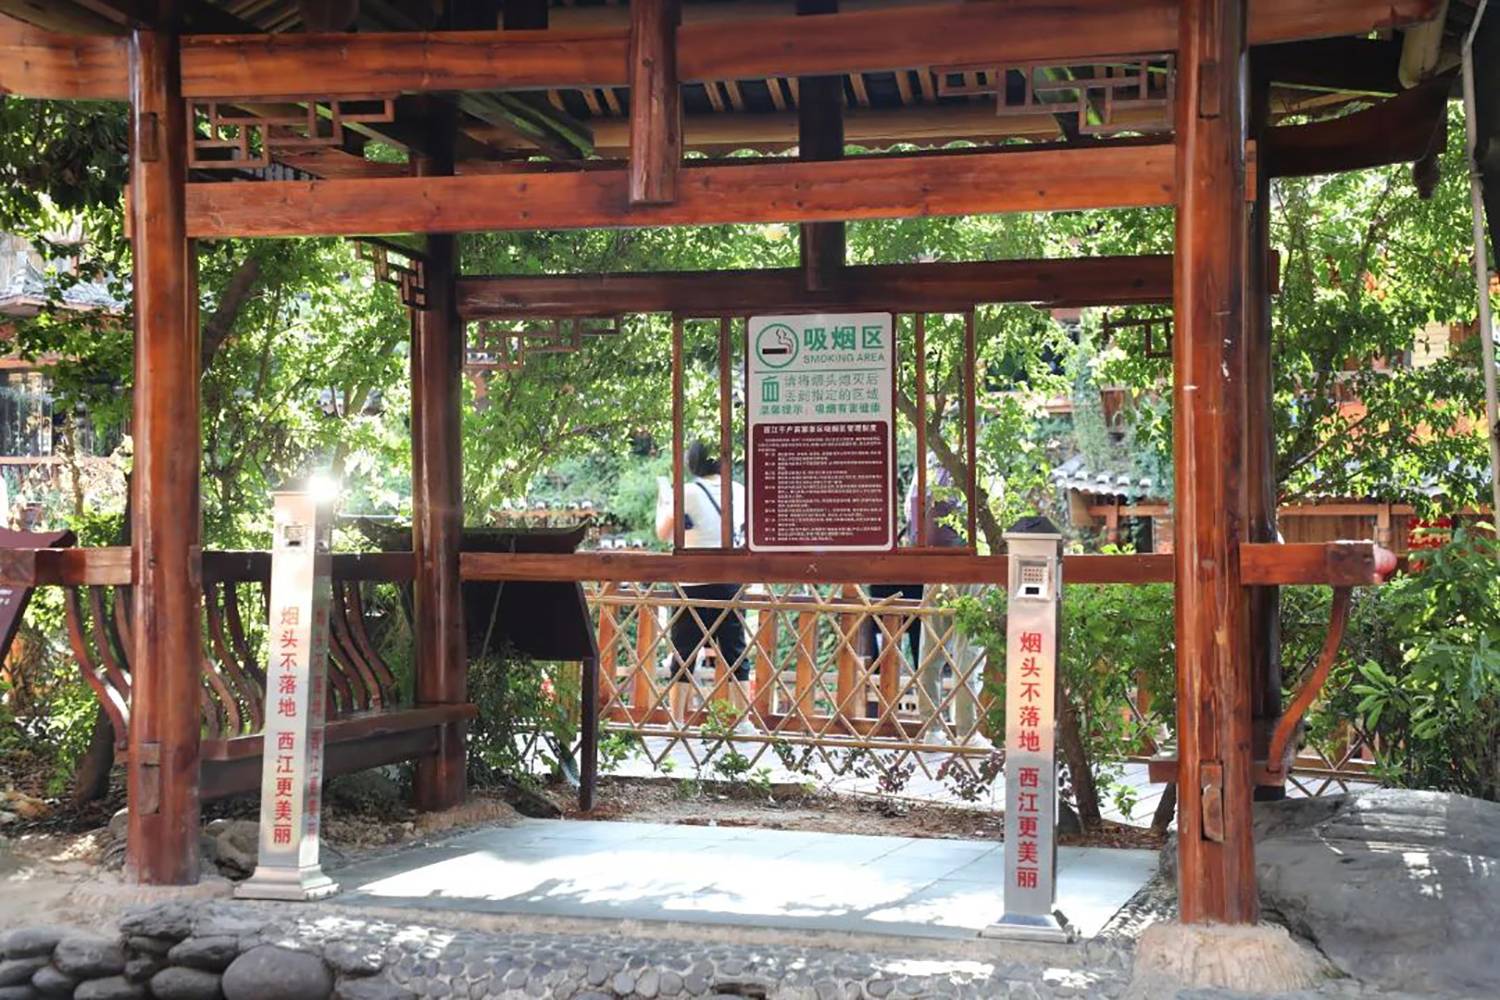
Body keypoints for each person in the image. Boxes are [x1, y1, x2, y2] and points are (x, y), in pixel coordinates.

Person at [655, 441, 750, 725]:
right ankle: (742, 722)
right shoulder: (739, 491)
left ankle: (676, 720)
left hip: (691, 583)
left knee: (684, 654)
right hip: (731, 582)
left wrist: (663, 503)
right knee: (735, 654)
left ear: (693, 461)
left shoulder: (686, 493)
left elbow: (663, 533)